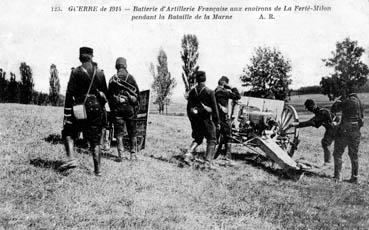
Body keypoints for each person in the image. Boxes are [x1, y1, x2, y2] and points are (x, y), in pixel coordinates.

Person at [60, 47, 108, 176]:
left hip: (79, 107)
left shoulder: (75, 72)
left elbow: (70, 94)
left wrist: (67, 114)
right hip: (96, 107)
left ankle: (71, 159)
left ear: (80, 57)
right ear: (92, 56)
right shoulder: (100, 73)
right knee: (95, 139)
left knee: (68, 132)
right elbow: (105, 95)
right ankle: (97, 171)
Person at [184, 71, 219, 169]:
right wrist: (217, 122)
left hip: (196, 120)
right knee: (212, 139)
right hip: (206, 120)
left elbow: (189, 108)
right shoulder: (210, 92)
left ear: (196, 79)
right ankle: (207, 163)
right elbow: (215, 110)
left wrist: (192, 120)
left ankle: (188, 154)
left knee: (198, 139)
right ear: (205, 79)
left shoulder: (192, 92)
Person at [108, 57, 140, 161]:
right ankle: (133, 154)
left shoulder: (112, 79)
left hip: (117, 109)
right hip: (129, 108)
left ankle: (121, 155)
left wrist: (115, 104)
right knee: (132, 132)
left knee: (119, 132)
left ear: (116, 66)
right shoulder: (131, 78)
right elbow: (137, 95)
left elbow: (109, 97)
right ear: (125, 65)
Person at [290, 99, 338, 165]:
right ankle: (328, 162)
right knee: (325, 143)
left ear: (314, 106)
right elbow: (316, 122)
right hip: (331, 127)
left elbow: (312, 122)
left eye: (309, 108)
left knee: (326, 143)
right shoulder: (320, 111)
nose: (309, 110)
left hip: (335, 127)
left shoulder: (322, 112)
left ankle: (328, 162)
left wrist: (297, 124)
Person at [331, 91, 364, 183]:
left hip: (345, 131)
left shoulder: (347, 101)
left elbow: (333, 109)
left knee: (337, 153)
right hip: (356, 131)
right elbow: (362, 120)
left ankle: (338, 176)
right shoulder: (360, 103)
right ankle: (355, 177)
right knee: (354, 155)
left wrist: (338, 100)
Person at [214, 76, 240, 161]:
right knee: (228, 135)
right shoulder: (222, 91)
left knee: (218, 136)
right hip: (222, 118)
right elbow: (237, 96)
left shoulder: (215, 91)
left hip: (216, 117)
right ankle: (228, 157)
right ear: (224, 83)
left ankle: (215, 155)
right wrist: (232, 87)